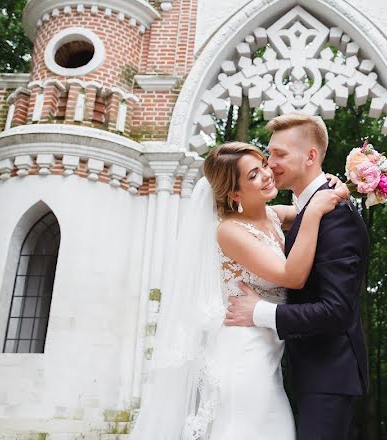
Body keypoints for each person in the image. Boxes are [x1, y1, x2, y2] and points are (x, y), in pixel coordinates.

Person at [132, 139, 348, 439]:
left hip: (267, 351)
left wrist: (330, 185)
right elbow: (292, 276)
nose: (267, 174)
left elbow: (305, 205)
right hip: (244, 355)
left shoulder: (272, 216)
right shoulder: (230, 231)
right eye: (253, 175)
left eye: (262, 166)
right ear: (234, 194)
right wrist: (313, 214)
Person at [226, 113, 370, 440]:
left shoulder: (337, 218)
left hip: (329, 375)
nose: (270, 164)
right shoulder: (305, 211)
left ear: (310, 156)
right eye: (268, 155)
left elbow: (336, 312)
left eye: (279, 155)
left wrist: (259, 312)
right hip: (298, 370)